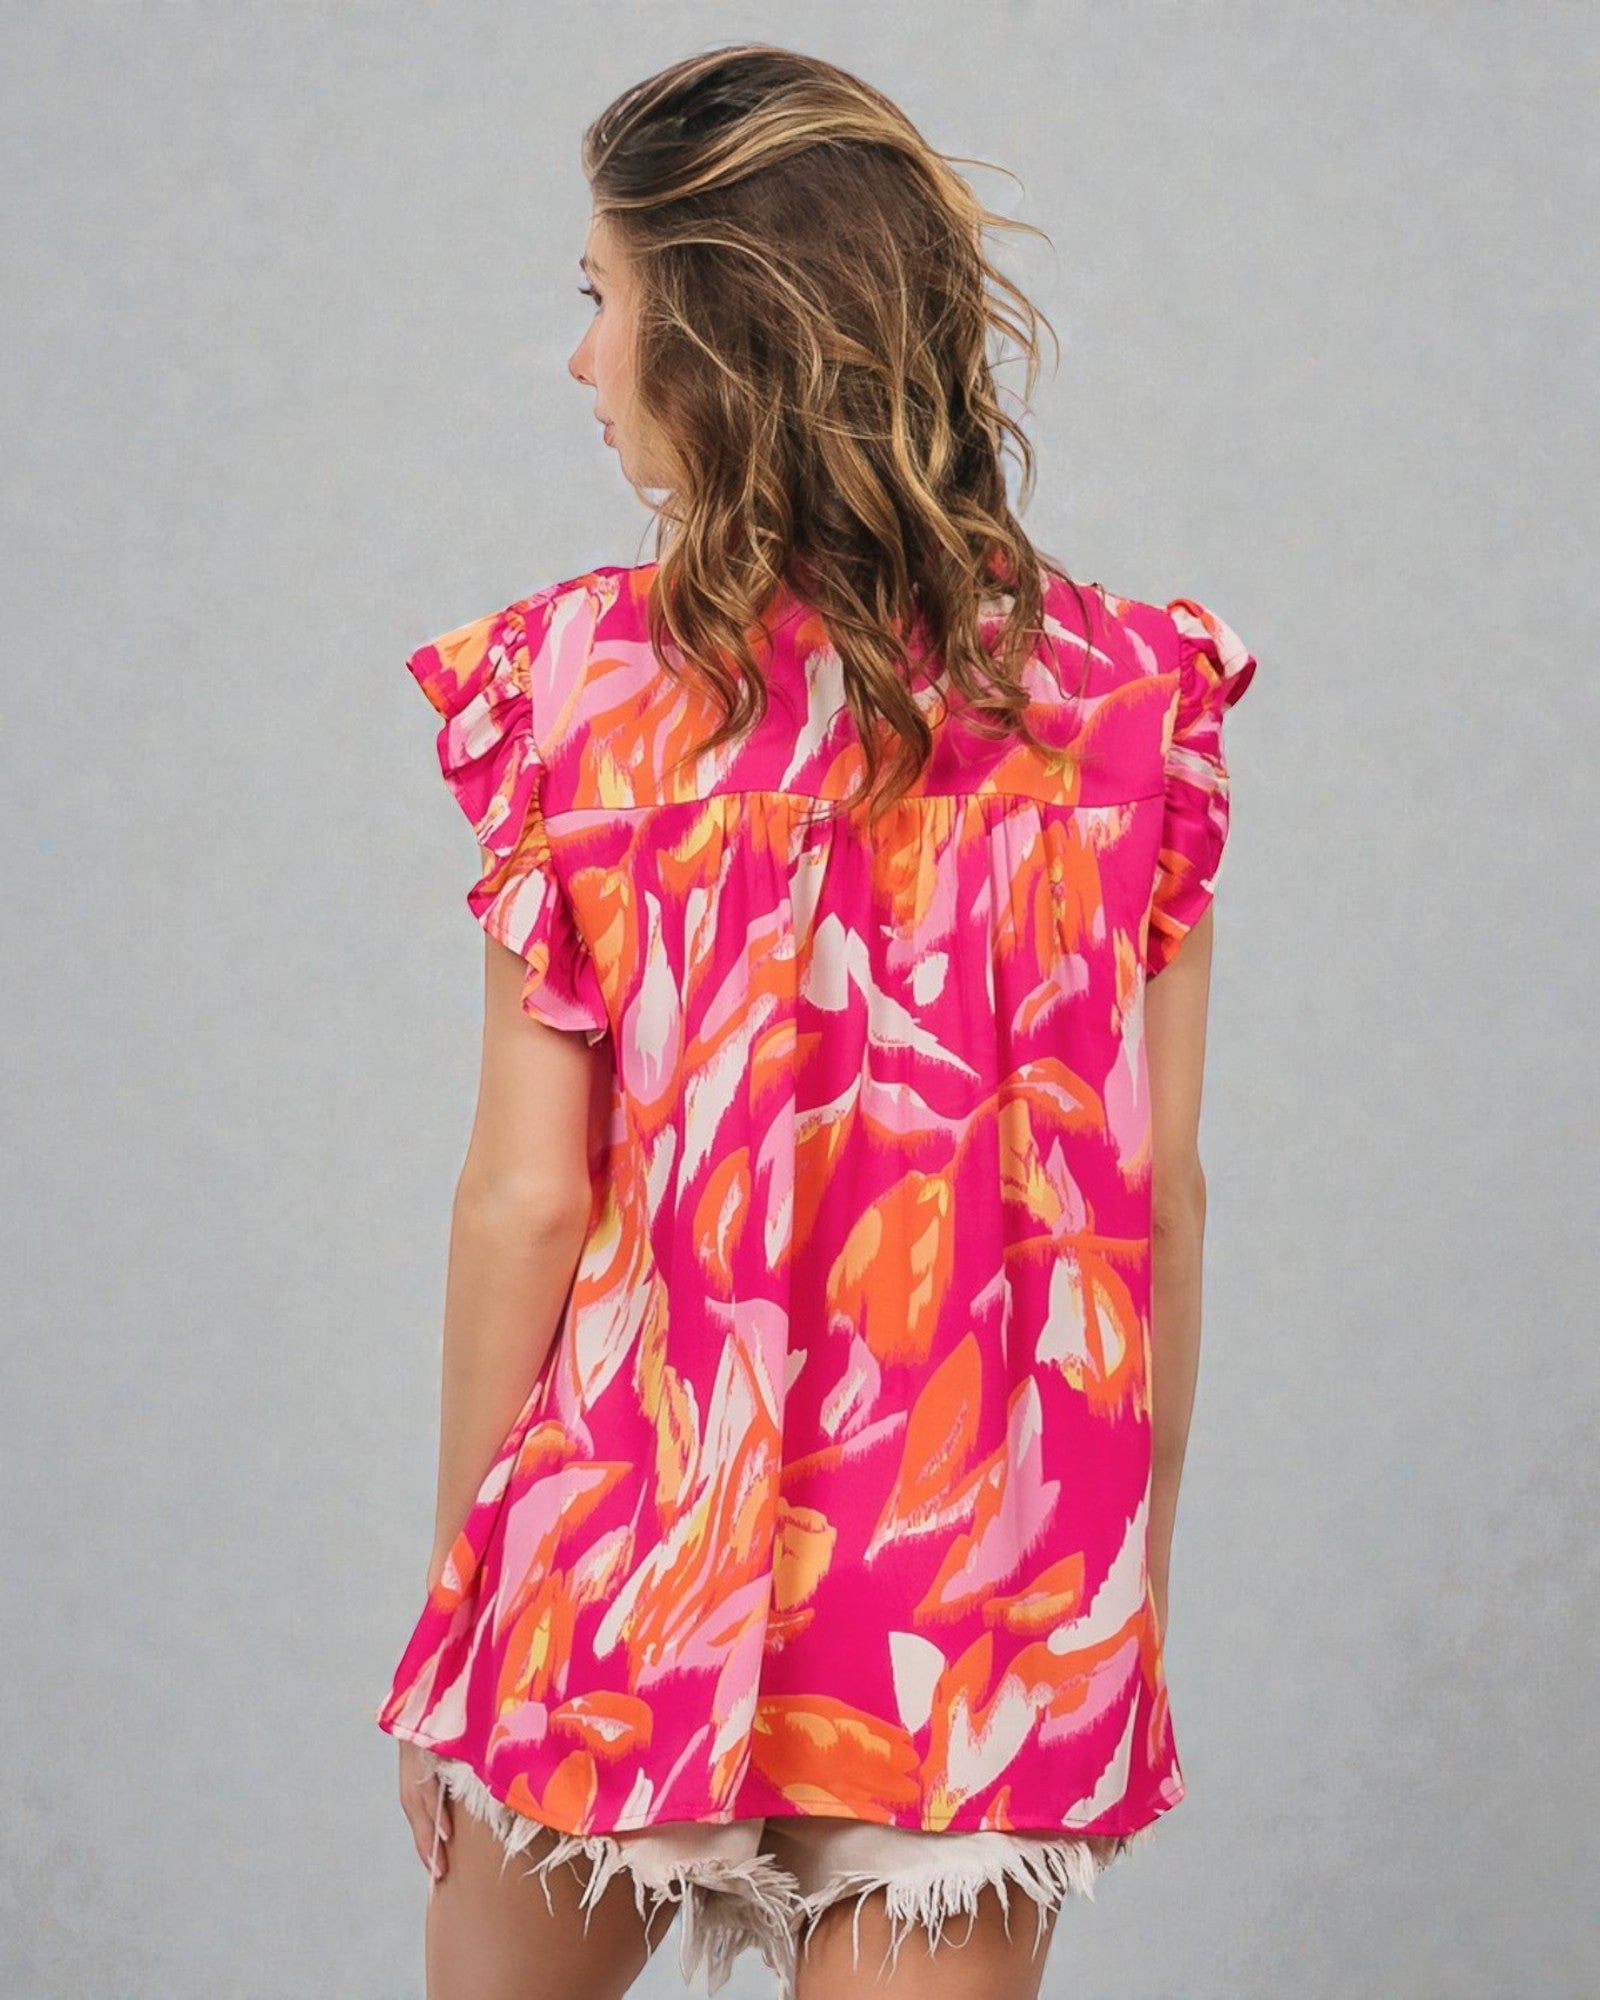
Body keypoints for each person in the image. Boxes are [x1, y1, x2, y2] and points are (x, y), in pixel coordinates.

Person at [375, 41, 1258, 2000]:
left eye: (601, 302)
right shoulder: (1128, 706)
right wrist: (1123, 1592)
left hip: (616, 1534)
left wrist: (459, 1616)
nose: (581, 360)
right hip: (981, 1573)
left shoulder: (580, 693)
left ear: (711, 337)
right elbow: (1156, 1201)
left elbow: (524, 1204)